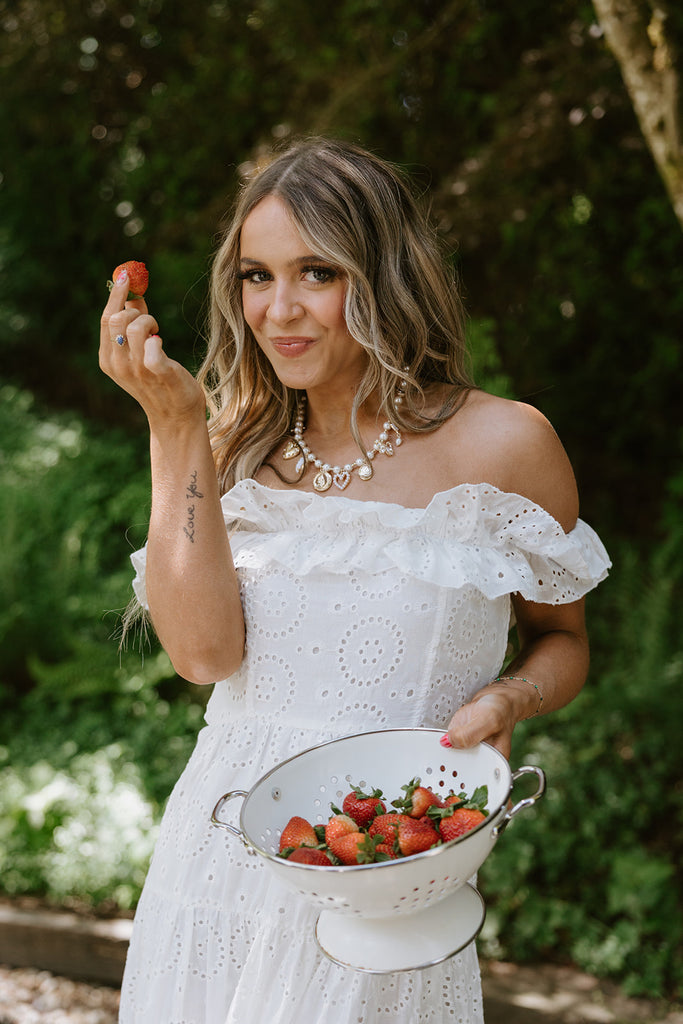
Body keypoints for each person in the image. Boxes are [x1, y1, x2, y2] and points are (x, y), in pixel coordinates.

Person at [99, 137, 610, 1023]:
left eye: (317, 273)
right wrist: (176, 427)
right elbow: (202, 654)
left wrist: (508, 702)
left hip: (389, 883)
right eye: (256, 276)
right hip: (218, 865)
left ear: (383, 277)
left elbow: (560, 640)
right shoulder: (226, 448)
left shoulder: (506, 446)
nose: (279, 309)